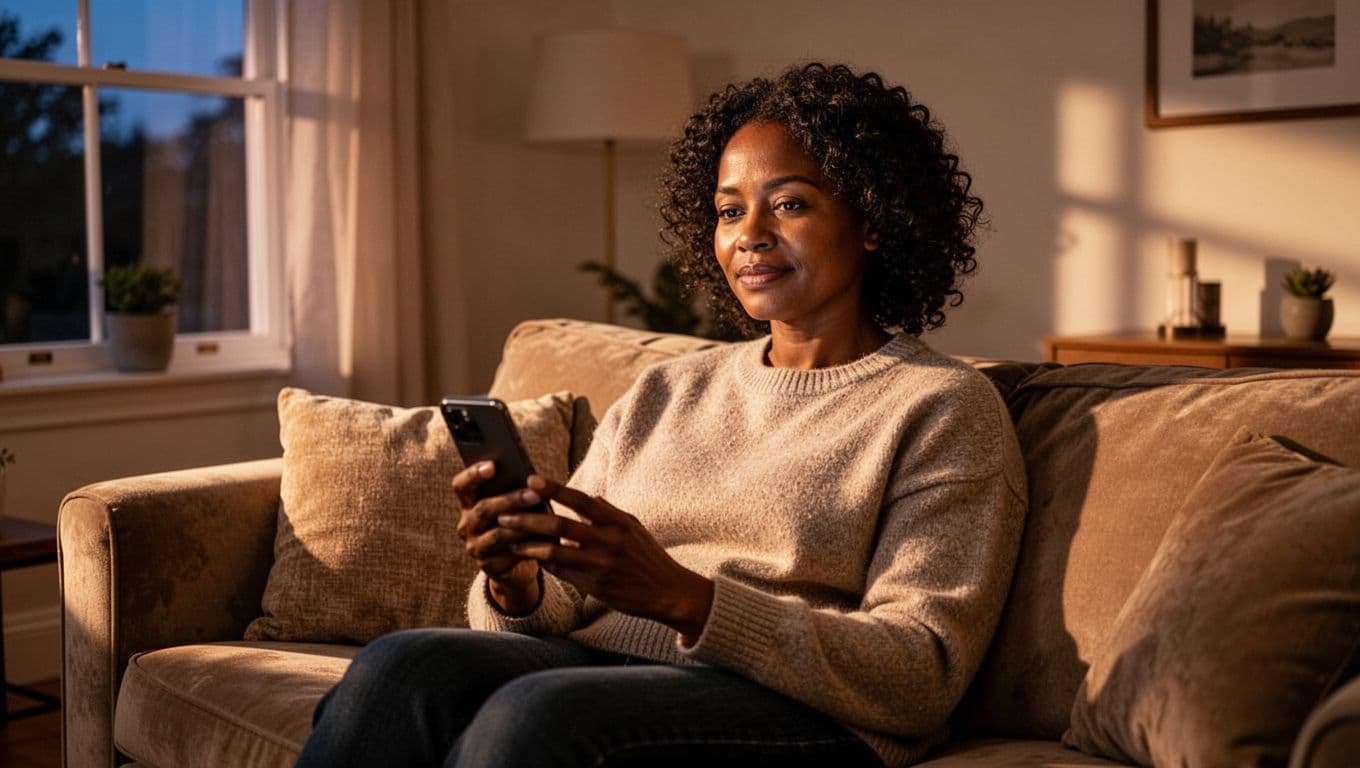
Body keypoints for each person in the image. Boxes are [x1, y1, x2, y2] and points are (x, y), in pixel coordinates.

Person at [296, 61, 1026, 768]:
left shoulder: (941, 407)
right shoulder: (666, 390)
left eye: (791, 203)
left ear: (872, 218)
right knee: (407, 664)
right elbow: (567, 606)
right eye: (729, 210)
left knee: (538, 716)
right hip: (603, 666)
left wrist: (686, 598)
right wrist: (516, 583)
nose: (751, 234)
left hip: (804, 714)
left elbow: (919, 674)